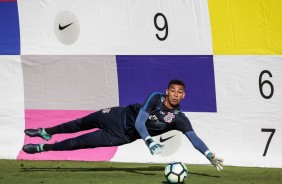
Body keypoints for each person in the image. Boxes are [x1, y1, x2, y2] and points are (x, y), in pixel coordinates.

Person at [23, 79, 224, 171]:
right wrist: (148, 140)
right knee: (80, 123)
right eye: (173, 90)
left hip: (121, 136)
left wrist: (209, 155)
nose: (176, 94)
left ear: (184, 95)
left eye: (180, 92)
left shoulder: (180, 118)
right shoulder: (155, 97)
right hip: (117, 116)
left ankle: (43, 147)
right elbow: (140, 121)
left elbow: (194, 138)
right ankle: (46, 132)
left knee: (79, 142)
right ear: (167, 91)